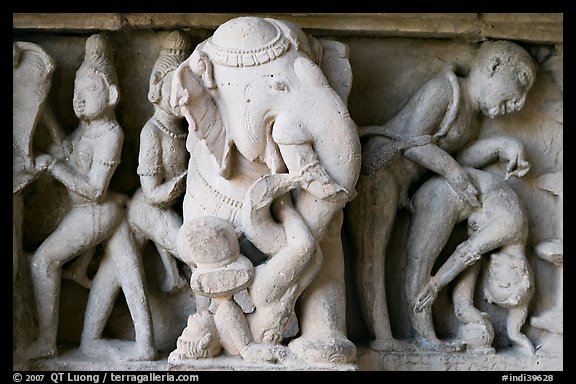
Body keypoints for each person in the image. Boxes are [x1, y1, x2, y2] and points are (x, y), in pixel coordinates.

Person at [346, 40, 536, 351]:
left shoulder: (472, 121)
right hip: (381, 170)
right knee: (372, 256)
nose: (519, 103)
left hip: (406, 184)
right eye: (521, 84)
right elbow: (415, 142)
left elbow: (459, 158)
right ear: (494, 67)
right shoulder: (444, 90)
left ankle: (414, 336)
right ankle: (383, 339)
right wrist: (453, 173)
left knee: (392, 256)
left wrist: (503, 146)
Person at [23, 34, 155, 361]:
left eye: (90, 89)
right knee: (128, 269)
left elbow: (95, 190)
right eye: (77, 90)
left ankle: (46, 340)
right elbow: (66, 150)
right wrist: (47, 144)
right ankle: (146, 343)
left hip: (95, 210)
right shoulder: (87, 129)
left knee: (43, 261)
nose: (80, 98)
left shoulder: (111, 134)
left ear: (111, 94)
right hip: (104, 212)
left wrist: (54, 166)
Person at [411, 149, 535, 355]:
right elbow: (466, 253)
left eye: (492, 286)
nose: (491, 273)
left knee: (418, 276)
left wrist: (464, 306)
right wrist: (436, 284)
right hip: (449, 190)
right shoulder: (511, 225)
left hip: (449, 196)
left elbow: (470, 266)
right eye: (502, 283)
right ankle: (422, 336)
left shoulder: (497, 251)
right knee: (418, 271)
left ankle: (424, 337)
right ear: (520, 270)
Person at [126, 30, 191, 294]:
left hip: (175, 206)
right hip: (148, 206)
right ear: (156, 83)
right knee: (195, 253)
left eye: (187, 85)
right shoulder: (151, 132)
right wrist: (183, 180)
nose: (182, 94)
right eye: (175, 85)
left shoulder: (188, 131)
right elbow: (152, 193)